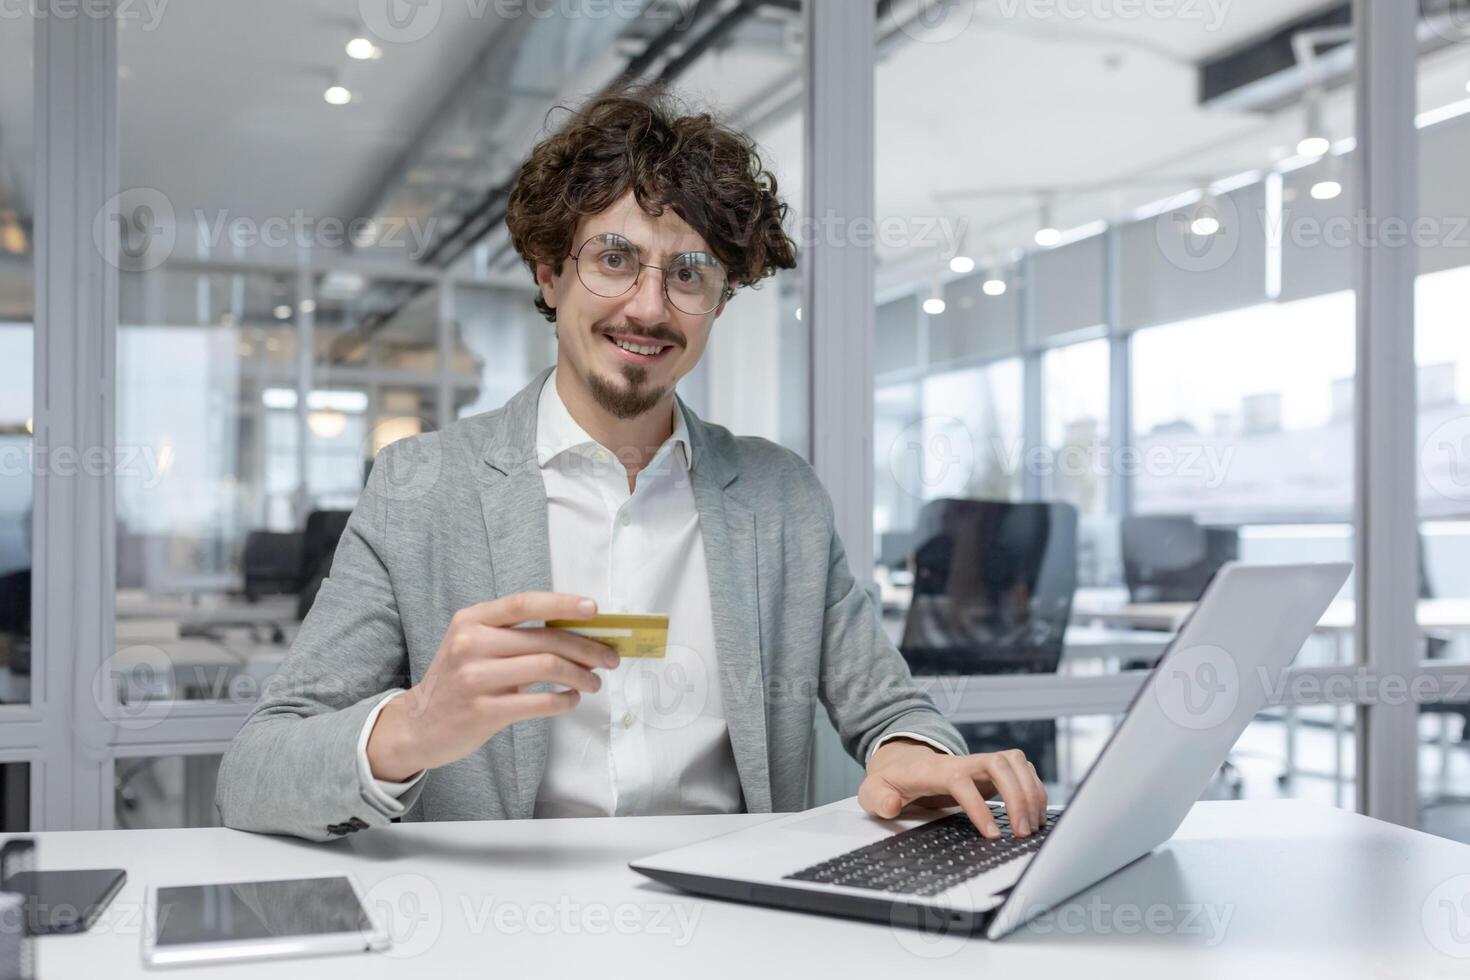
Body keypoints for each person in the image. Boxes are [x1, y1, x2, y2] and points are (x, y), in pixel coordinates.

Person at [215, 86, 1047, 843]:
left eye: (688, 274)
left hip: (737, 926)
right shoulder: (419, 486)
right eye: (614, 259)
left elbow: (889, 707)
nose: (648, 307)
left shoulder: (779, 496)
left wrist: (911, 752)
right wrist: (413, 726)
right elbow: (252, 778)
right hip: (496, 935)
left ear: (720, 299)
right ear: (551, 271)